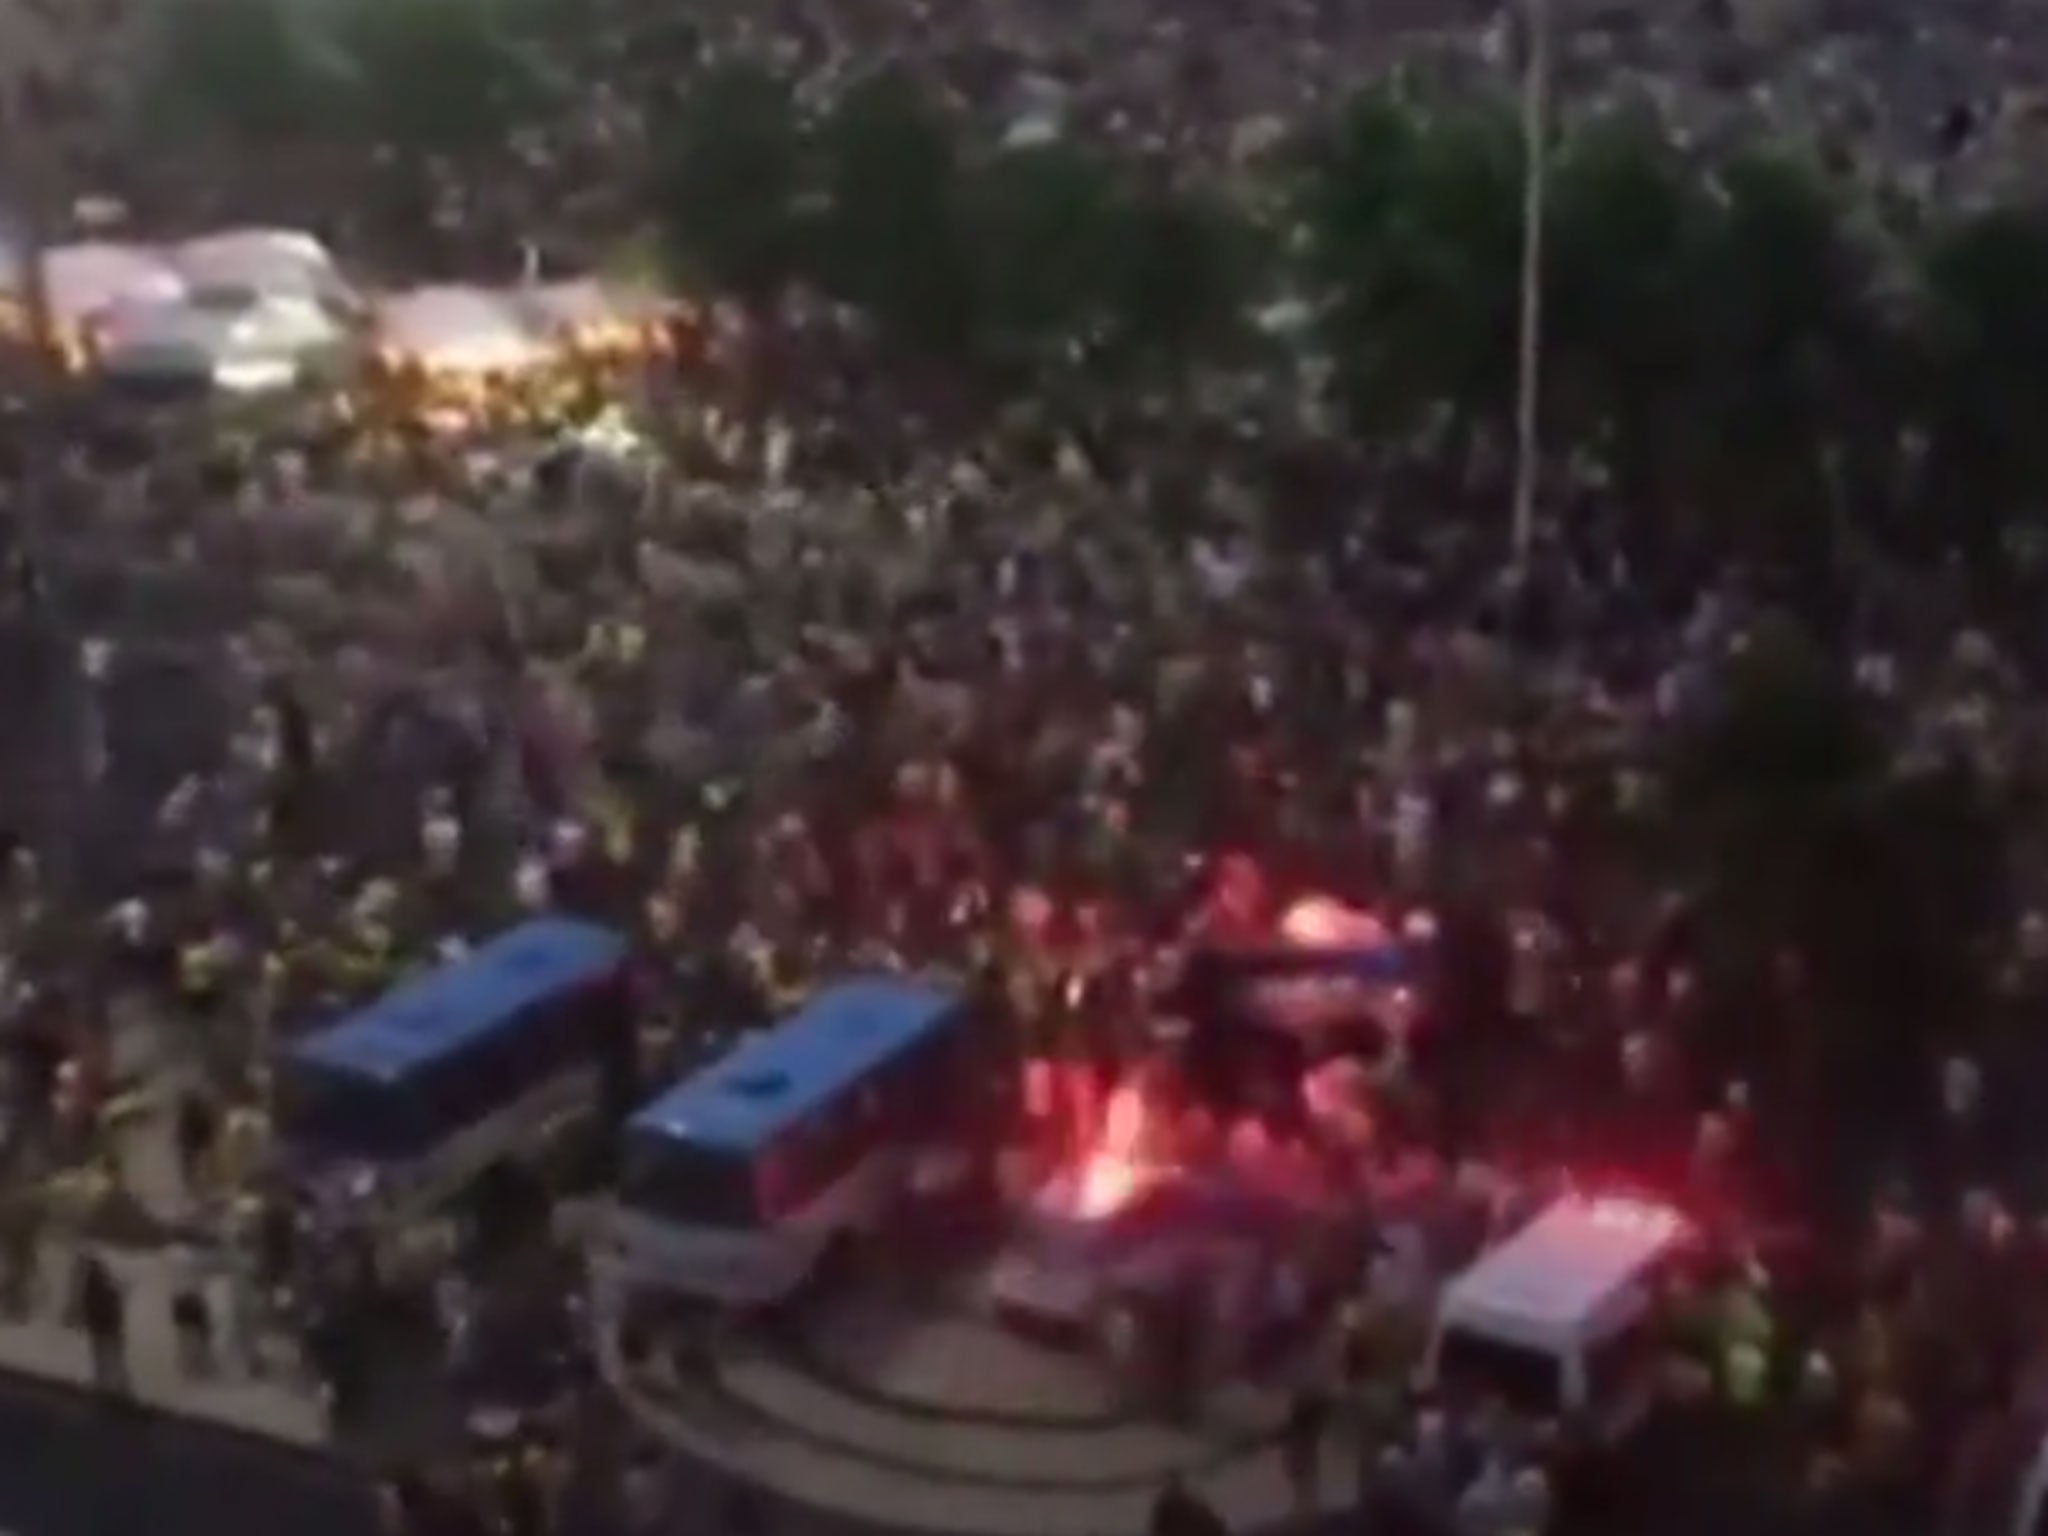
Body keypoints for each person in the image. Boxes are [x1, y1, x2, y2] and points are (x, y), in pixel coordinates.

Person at [76, 1251, 126, 1395]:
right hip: (109, 1325)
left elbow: (90, 1305)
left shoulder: (92, 1284)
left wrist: (85, 1320)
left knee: (102, 1356)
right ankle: (116, 1384)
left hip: (102, 1325)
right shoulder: (107, 1282)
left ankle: (105, 1384)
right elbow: (115, 1301)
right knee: (111, 1355)